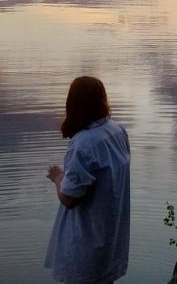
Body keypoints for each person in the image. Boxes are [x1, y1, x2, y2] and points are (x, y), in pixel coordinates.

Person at [45, 76, 131, 284]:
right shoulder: (117, 131)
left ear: (72, 104)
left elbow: (69, 198)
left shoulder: (83, 144)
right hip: (110, 239)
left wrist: (58, 177)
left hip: (86, 246)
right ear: (102, 100)